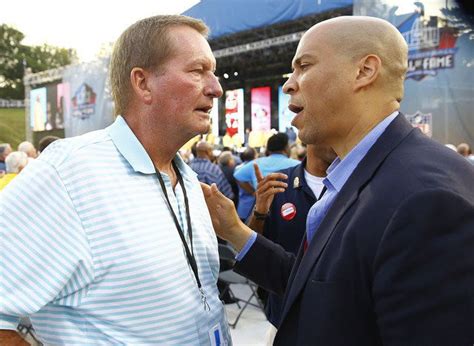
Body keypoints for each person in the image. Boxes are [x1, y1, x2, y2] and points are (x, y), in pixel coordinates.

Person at [201, 16, 474, 345]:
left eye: (304, 65)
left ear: (364, 71)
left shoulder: (425, 199)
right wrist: (234, 229)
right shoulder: (363, 174)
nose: (289, 84)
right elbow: (316, 285)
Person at [0, 15, 230, 345]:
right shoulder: (70, 174)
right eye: (198, 71)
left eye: (213, 72)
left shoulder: (188, 178)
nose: (216, 88)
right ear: (143, 83)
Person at [248, 144, 335, 342]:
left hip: (335, 317)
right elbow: (252, 244)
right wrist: (260, 211)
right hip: (284, 313)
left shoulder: (355, 182)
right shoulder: (279, 183)